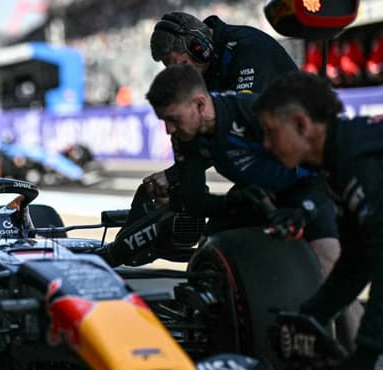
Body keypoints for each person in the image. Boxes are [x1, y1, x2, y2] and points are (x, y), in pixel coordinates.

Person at [141, 65, 351, 336]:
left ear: (200, 104)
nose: (169, 129)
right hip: (252, 195)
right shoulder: (188, 137)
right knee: (203, 254)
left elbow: (329, 166)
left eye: (173, 119)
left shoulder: (256, 113)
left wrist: (303, 210)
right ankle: (205, 332)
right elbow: (195, 202)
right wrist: (234, 202)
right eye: (163, 121)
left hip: (305, 187)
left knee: (335, 273)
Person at [252, 71, 383, 370]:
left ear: (301, 124)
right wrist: (313, 312)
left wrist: (365, 353)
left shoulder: (359, 158)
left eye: (270, 132)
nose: (266, 144)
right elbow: (358, 256)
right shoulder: (337, 161)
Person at [150, 11, 298, 94]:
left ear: (200, 46)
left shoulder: (247, 46)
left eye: (183, 63)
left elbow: (244, 112)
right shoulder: (204, 69)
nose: (183, 74)